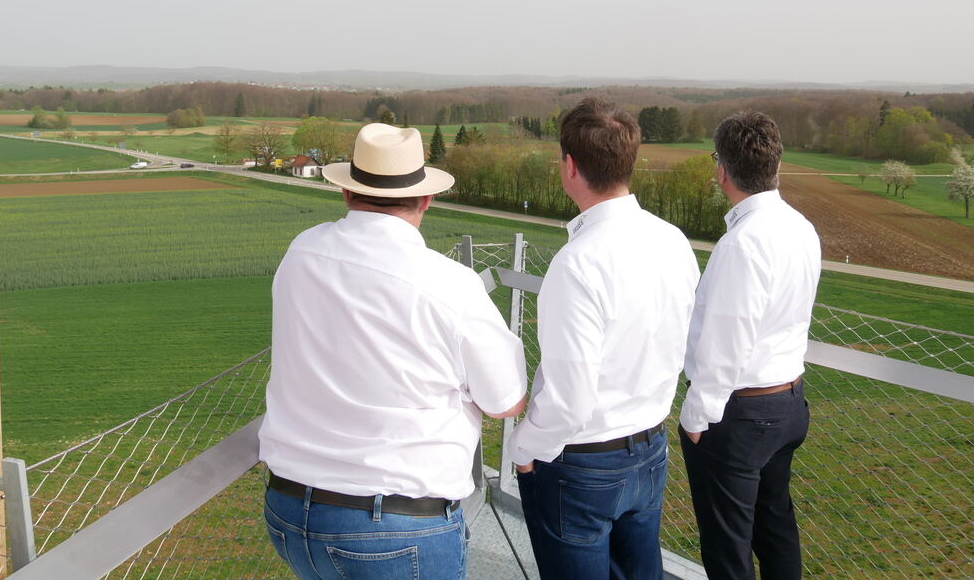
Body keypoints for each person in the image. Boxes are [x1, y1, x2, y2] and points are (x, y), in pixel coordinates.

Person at [259, 122, 527, 580]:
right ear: (426, 198)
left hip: (290, 512)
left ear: (347, 192)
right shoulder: (449, 283)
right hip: (396, 524)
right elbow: (506, 402)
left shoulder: (302, 251)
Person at [507, 97, 700, 580]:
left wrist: (524, 449)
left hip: (582, 465)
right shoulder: (672, 239)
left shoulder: (577, 264)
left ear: (570, 166)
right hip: (650, 448)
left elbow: (570, 401)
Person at [679, 110, 821, 580]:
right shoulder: (800, 226)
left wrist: (697, 416)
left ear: (722, 170)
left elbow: (727, 343)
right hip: (788, 401)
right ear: (776, 164)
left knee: (728, 550)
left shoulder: (742, 243)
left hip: (740, 415)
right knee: (776, 529)